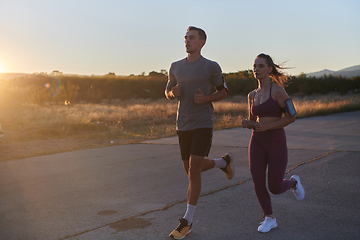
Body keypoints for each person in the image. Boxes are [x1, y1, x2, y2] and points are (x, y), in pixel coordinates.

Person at [165, 26, 234, 239]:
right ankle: (223, 163)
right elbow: (167, 91)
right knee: (189, 170)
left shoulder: (211, 67)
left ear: (201, 42)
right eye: (185, 38)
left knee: (194, 171)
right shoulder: (175, 66)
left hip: (202, 123)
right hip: (182, 124)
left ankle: (187, 221)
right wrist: (171, 93)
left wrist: (206, 99)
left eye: (191, 38)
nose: (187, 41)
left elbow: (223, 92)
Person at [241, 53, 305, 233]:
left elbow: (292, 117)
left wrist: (268, 127)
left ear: (269, 69)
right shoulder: (252, 95)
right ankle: (269, 218)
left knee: (275, 187)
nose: (256, 69)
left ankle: (293, 182)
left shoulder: (277, 91)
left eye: (260, 66)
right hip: (257, 142)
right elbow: (254, 121)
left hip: (276, 141)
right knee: (257, 182)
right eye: (254, 66)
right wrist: (248, 124)